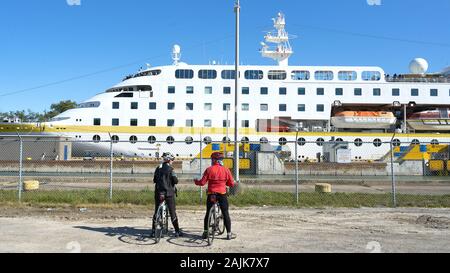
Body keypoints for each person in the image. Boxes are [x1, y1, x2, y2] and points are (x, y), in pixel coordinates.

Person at [194, 152, 237, 240]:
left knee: (208, 212)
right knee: (225, 213)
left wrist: (196, 181)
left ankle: (205, 232)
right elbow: (231, 183)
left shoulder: (209, 169)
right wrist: (227, 183)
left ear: (213, 160)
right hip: (222, 194)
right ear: (221, 160)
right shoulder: (226, 170)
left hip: (211, 194)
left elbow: (202, 183)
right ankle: (229, 234)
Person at [150, 152, 182, 237]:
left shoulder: (158, 168)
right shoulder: (171, 169)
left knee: (156, 211)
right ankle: (177, 231)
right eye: (172, 160)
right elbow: (175, 181)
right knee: (172, 212)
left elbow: (154, 180)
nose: (172, 161)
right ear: (169, 160)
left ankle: (153, 231)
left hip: (158, 193)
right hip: (169, 193)